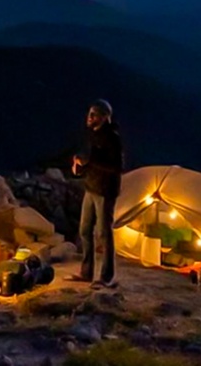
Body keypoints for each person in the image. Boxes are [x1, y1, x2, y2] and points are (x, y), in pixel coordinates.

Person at [66, 99, 123, 289]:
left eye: (94, 114)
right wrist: (81, 167)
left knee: (104, 233)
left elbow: (116, 167)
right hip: (91, 187)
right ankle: (86, 272)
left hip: (105, 191)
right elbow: (91, 161)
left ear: (104, 117)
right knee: (84, 230)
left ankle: (107, 276)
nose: (89, 117)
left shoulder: (112, 138)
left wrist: (90, 162)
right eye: (89, 114)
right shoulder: (93, 135)